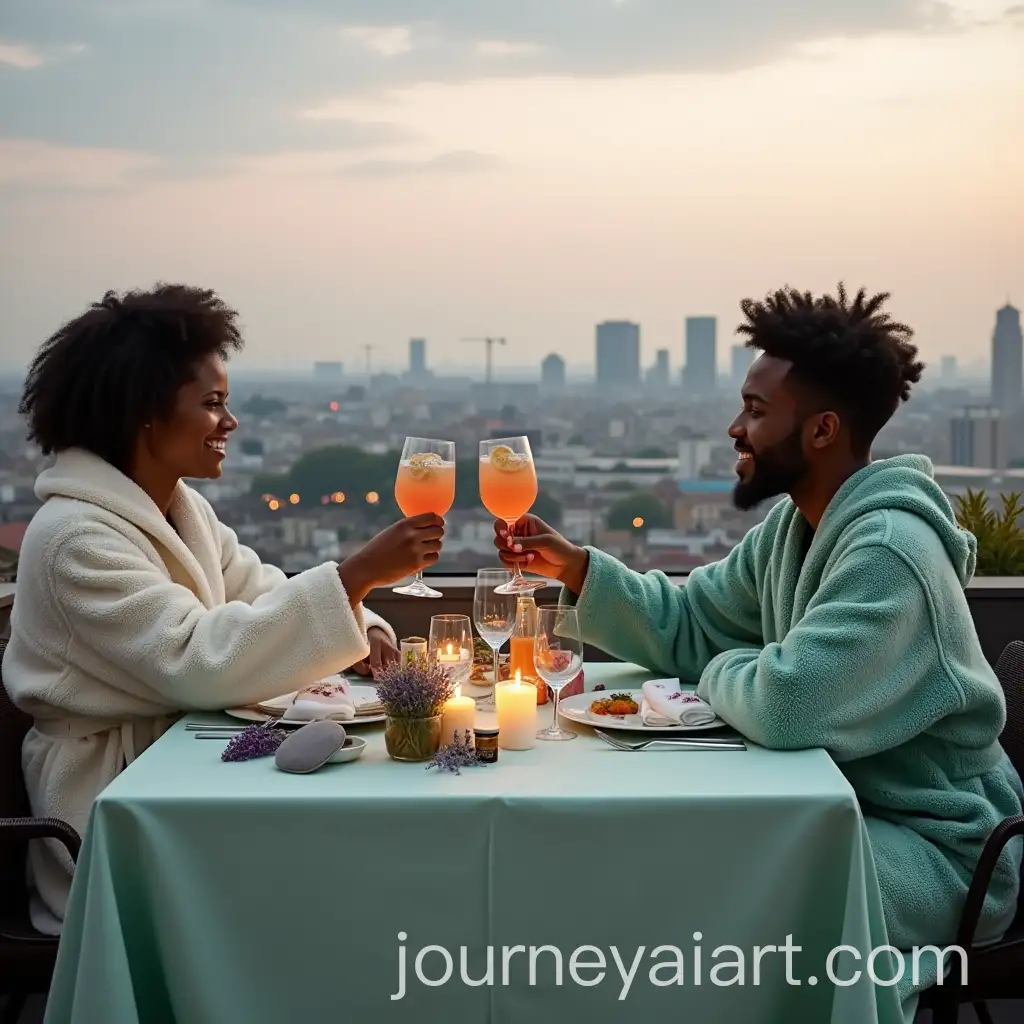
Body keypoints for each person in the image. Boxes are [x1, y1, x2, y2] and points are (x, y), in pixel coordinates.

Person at [495, 284, 1023, 1008]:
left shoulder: (889, 554)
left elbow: (786, 703)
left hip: (942, 855)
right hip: (852, 814)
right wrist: (579, 569)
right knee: (689, 869)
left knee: (721, 886)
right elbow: (691, 619)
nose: (735, 427)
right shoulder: (794, 529)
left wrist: (720, 670)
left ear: (821, 430)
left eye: (755, 409)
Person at [4, 283, 445, 935]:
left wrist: (364, 621)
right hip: (110, 807)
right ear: (143, 412)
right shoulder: (74, 538)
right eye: (212, 404)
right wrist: (356, 576)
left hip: (176, 770)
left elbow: (258, 589)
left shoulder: (181, 510)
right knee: (326, 883)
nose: (230, 422)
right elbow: (196, 658)